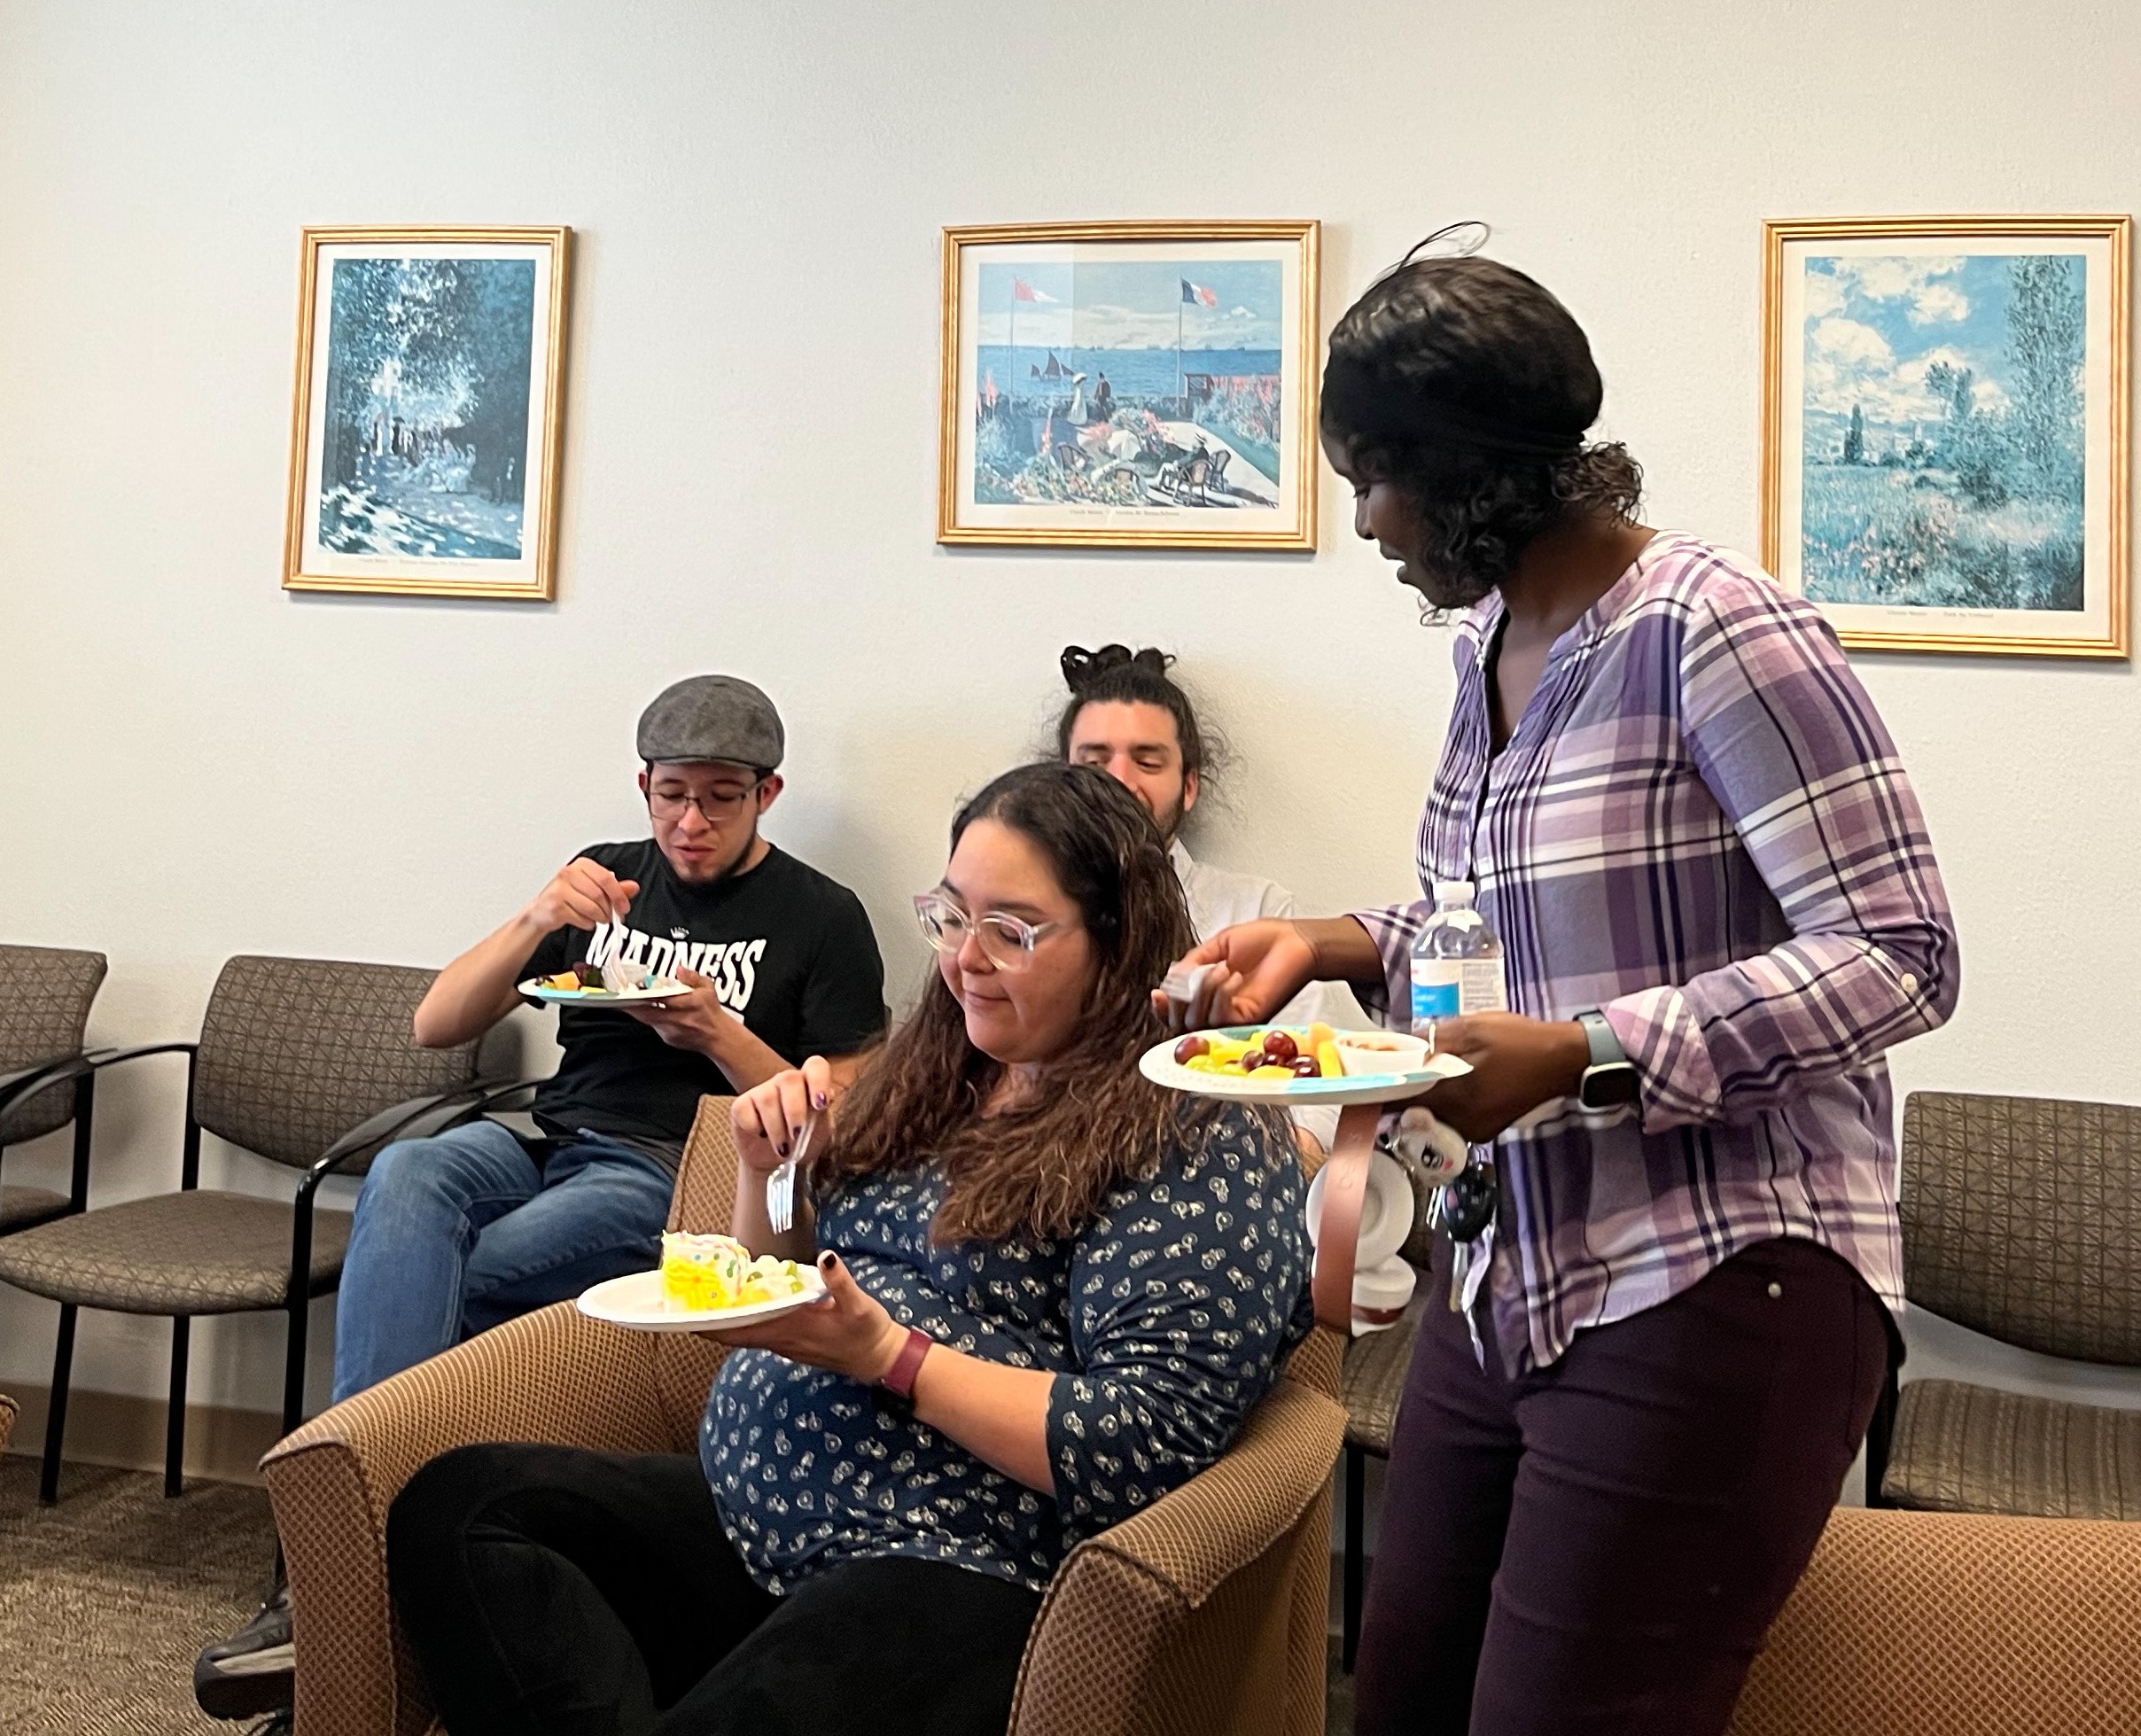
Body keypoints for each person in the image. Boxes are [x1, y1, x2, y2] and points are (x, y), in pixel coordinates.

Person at [1162, 240, 1958, 1736]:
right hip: (1510, 1267)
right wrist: (1336, 941)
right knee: (1399, 1694)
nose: (1365, 523)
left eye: (1374, 480)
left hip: (1716, 1275)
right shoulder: (1489, 644)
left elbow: (1900, 952)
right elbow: (1506, 929)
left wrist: (1589, 1053)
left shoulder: (1716, 629)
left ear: (1466, 470)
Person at [384, 762, 1313, 1736]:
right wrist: (768, 1171)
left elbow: (1146, 1442)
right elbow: (786, 1281)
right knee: (462, 1508)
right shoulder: (942, 1066)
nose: (966, 960)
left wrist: (892, 1358)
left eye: (1011, 931)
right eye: (951, 917)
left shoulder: (1191, 1125)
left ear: (1118, 942)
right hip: (771, 1519)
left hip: (962, 1557)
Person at [194, 674, 888, 1727]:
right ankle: (360, 1569)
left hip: (663, 1171)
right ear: (643, 787)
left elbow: (839, 1109)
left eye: (720, 799)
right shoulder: (604, 878)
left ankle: (330, 1575)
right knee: (410, 1172)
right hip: (546, 1138)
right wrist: (534, 916)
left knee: (432, 1282)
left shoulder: (821, 916)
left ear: (768, 795)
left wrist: (713, 1032)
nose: (691, 822)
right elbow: (435, 1026)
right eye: (672, 796)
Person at [1056, 641, 1364, 1156]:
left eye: (1147, 761)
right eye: (1095, 761)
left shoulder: (1258, 914)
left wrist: (1258, 1182)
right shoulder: (1013, 916)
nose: (1119, 781)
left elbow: (1320, 1095)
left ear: (1189, 786)